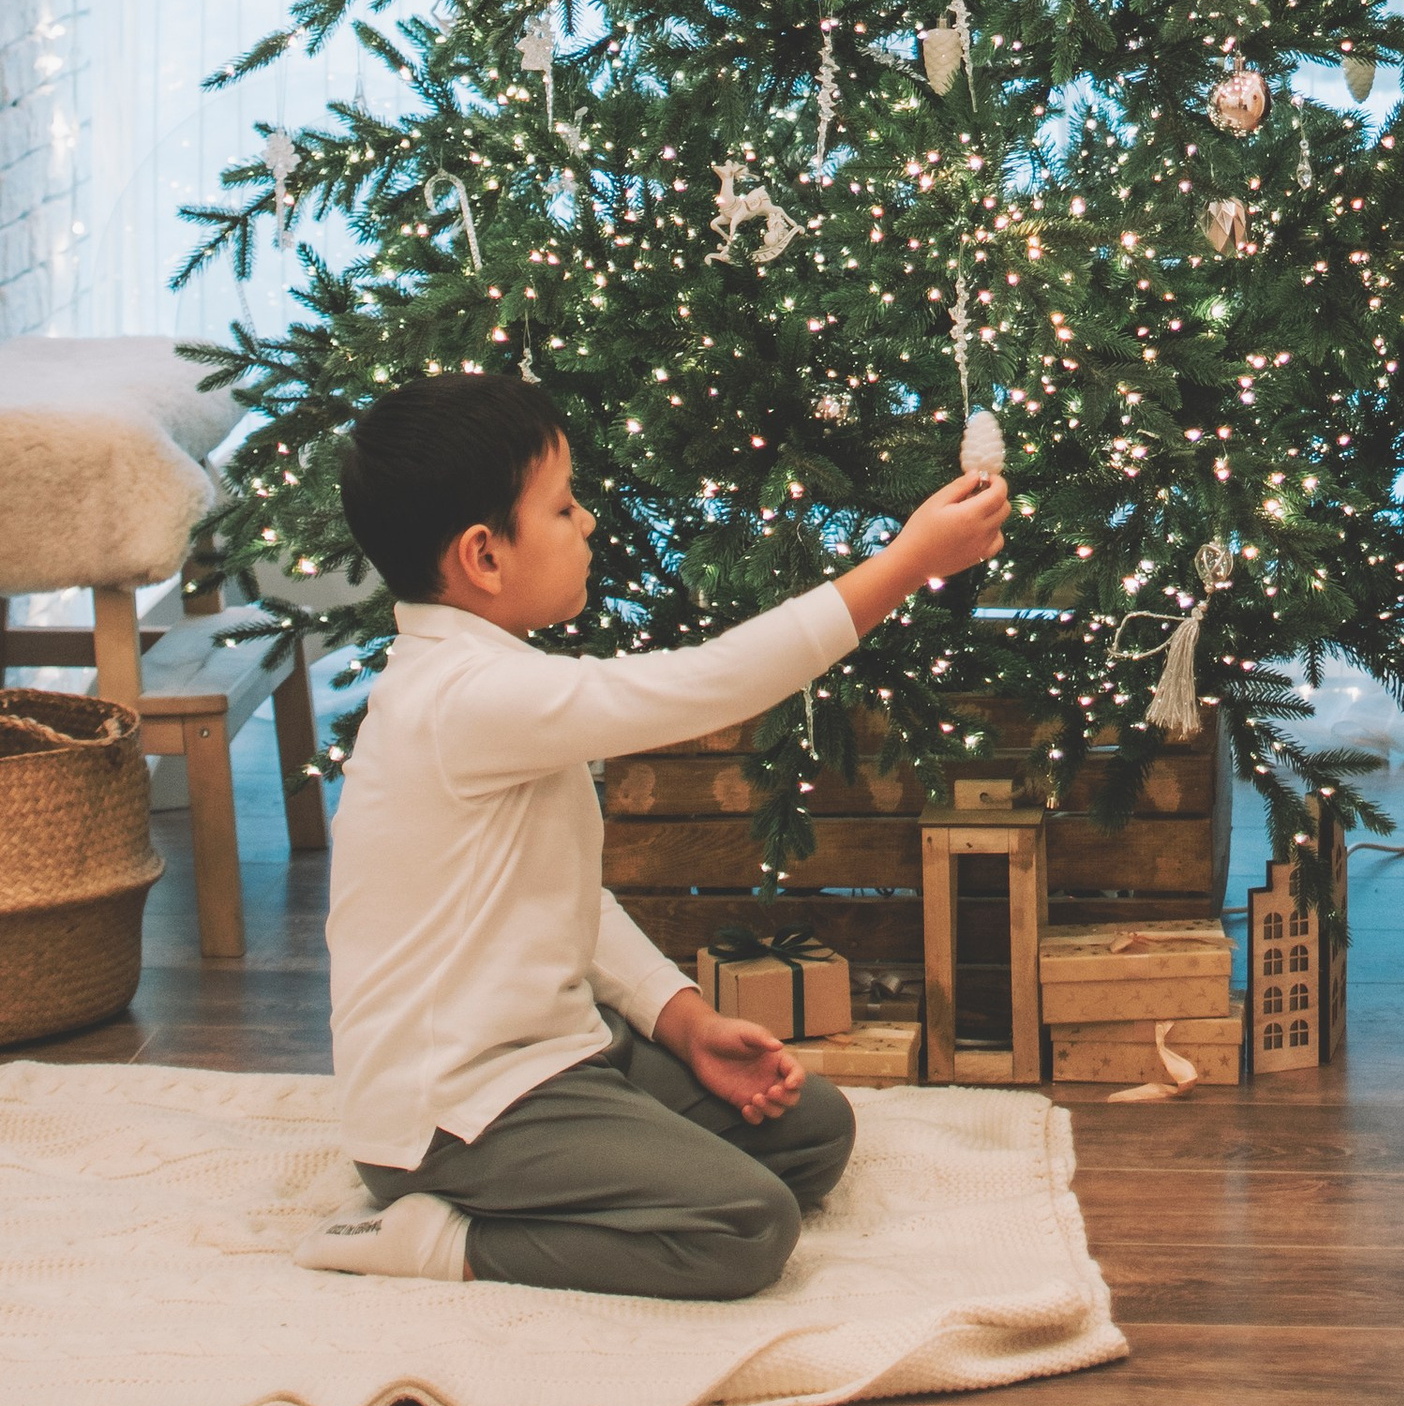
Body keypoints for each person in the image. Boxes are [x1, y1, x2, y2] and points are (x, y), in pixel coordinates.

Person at [295, 371, 1009, 1294]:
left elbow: (562, 896)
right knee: (746, 1226)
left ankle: (599, 1160)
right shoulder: (462, 697)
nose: (588, 521)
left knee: (813, 1133)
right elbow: (712, 682)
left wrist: (684, 1021)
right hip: (454, 1109)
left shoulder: (493, 676)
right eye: (562, 507)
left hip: (555, 1053)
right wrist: (907, 564)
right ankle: (433, 1239)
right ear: (484, 556)